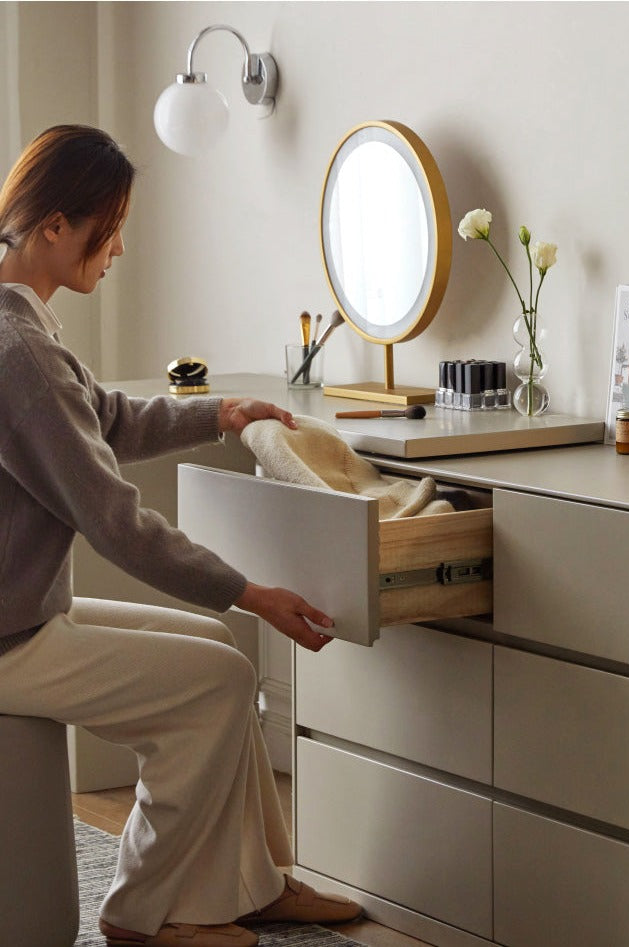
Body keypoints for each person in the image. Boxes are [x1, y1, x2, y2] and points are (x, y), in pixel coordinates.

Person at [0, 125, 362, 947]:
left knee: (212, 651)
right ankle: (142, 912)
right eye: (110, 224)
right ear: (55, 225)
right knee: (212, 680)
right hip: (9, 635)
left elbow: (108, 416)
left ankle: (254, 880)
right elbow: (116, 521)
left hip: (21, 607)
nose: (120, 246)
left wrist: (221, 413)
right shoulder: (17, 346)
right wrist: (253, 593)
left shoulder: (24, 321)